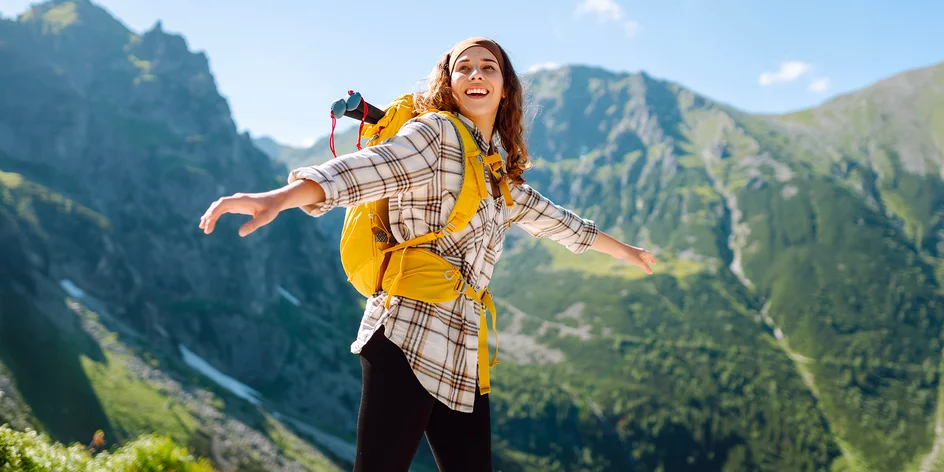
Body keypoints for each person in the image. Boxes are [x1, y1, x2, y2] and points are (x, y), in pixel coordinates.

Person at [198, 36, 656, 472]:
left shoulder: (499, 173)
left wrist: (626, 252)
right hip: (406, 330)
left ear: (505, 88)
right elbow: (364, 170)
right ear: (451, 84)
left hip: (463, 346)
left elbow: (559, 221)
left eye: (488, 67)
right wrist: (278, 198)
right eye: (464, 67)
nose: (476, 73)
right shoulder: (435, 133)